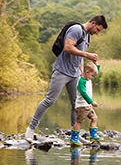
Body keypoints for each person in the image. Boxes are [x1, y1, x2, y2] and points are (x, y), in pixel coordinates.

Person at [25, 14, 108, 143]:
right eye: (97, 30)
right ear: (92, 23)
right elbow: (68, 47)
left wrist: (81, 72)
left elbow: (79, 57)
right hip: (61, 71)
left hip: (75, 74)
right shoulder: (76, 29)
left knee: (75, 104)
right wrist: (87, 54)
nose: (97, 33)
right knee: (50, 100)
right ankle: (30, 130)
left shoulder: (87, 37)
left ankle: (74, 134)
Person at [70, 61, 103, 146]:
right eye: (92, 75)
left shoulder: (88, 78)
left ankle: (93, 135)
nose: (92, 78)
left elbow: (96, 71)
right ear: (87, 72)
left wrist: (96, 64)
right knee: (79, 122)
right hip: (82, 106)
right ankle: (74, 138)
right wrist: (92, 102)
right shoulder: (81, 81)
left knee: (94, 118)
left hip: (87, 106)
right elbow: (83, 93)